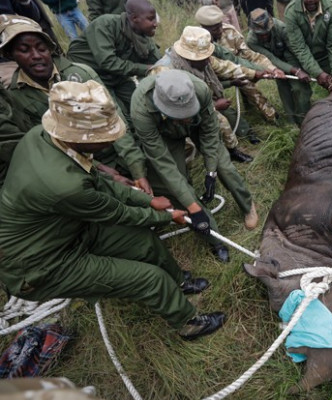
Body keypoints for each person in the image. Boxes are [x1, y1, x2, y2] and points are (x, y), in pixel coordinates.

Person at [0, 80, 226, 341]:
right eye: (103, 138)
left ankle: (180, 282)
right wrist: (165, 216)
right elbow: (117, 212)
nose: (108, 143)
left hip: (67, 229)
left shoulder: (45, 137)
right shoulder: (64, 185)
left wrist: (148, 201)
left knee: (143, 242)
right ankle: (189, 324)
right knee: (150, 279)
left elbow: (98, 180)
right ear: (78, 137)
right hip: (42, 264)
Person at [0, 15, 152, 194]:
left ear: (50, 48)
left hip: (118, 153)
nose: (36, 56)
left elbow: (115, 119)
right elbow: (49, 147)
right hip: (82, 168)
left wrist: (137, 170)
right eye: (24, 50)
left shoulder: (80, 73)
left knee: (160, 190)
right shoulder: (16, 96)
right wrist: (101, 171)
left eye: (41, 48)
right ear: (10, 54)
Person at [130, 69, 260, 261]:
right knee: (178, 188)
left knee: (224, 167)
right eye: (181, 114)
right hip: (166, 137)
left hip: (199, 128)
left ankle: (247, 204)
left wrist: (211, 172)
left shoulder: (199, 89)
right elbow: (163, 162)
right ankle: (214, 240)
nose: (186, 117)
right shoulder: (141, 109)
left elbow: (209, 132)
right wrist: (194, 208)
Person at [151, 26, 267, 162]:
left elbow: (226, 67)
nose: (208, 61)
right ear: (187, 56)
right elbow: (171, 110)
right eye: (203, 58)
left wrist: (255, 73)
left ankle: (232, 150)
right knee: (218, 122)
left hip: (199, 101)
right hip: (176, 116)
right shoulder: (164, 71)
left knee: (226, 117)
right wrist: (214, 107)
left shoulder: (200, 60)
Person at [67, 0, 161, 121]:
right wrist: (146, 69)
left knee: (140, 104)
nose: (155, 24)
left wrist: (163, 68)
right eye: (151, 19)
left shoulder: (141, 34)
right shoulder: (105, 24)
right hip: (91, 75)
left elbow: (158, 61)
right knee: (114, 114)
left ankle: (140, 134)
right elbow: (108, 62)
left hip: (115, 74)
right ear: (134, 18)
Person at [196, 5, 284, 125]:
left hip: (237, 71)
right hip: (210, 78)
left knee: (247, 84)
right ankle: (240, 128)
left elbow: (249, 55)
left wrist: (271, 68)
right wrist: (253, 73)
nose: (220, 30)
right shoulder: (197, 42)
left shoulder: (229, 31)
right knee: (216, 107)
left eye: (220, 25)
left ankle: (272, 117)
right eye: (215, 29)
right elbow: (220, 67)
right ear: (204, 28)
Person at [247, 8, 312, 126]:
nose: (263, 36)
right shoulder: (251, 40)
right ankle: (292, 121)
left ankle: (305, 119)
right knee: (284, 88)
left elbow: (295, 49)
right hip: (271, 64)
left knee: (300, 89)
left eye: (266, 33)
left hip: (290, 57)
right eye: (259, 34)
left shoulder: (281, 28)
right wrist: (293, 71)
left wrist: (300, 69)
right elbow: (270, 58)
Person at [284, 0, 332, 91]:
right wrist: (318, 73)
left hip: (324, 55)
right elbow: (300, 48)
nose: (310, 1)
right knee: (299, 91)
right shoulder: (291, 12)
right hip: (299, 58)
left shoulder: (331, 8)